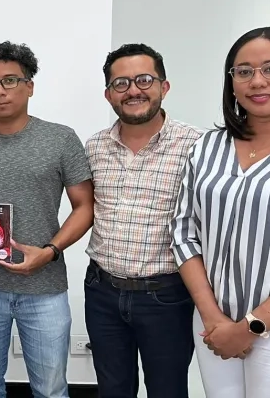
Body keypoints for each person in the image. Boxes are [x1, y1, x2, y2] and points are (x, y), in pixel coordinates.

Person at [0, 41, 94, 398]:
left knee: (51, 388)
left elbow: (85, 206)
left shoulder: (60, 139)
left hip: (44, 287)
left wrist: (49, 251)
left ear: (30, 85)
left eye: (10, 80)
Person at [84, 43, 201, 398]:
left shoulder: (197, 146)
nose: (133, 90)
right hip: (102, 293)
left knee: (167, 390)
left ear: (164, 87)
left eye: (144, 80)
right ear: (108, 95)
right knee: (112, 390)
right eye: (121, 83)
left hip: (167, 297)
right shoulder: (93, 147)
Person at [172, 26, 270, 397]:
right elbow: (184, 231)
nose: (257, 81)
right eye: (243, 71)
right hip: (214, 321)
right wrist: (214, 318)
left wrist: (250, 327)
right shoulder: (207, 147)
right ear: (231, 82)